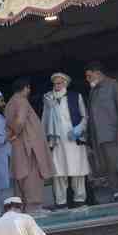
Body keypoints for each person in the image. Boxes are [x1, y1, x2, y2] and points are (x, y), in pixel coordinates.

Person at [85, 61, 118, 200]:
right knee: (107, 166)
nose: (87, 79)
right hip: (100, 137)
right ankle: (117, 193)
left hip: (114, 134)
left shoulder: (113, 85)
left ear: (98, 73)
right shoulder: (93, 90)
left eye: (89, 76)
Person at [5, 78, 54, 216]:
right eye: (29, 88)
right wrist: (16, 132)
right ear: (26, 88)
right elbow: (20, 121)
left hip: (20, 145)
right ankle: (34, 207)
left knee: (22, 177)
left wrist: (12, 134)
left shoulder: (9, 103)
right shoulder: (21, 101)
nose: (29, 90)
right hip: (29, 146)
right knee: (32, 177)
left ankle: (25, 207)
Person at [41, 71, 90, 209]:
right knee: (58, 173)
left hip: (74, 140)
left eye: (60, 83)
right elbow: (44, 119)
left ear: (65, 84)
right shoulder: (48, 99)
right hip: (56, 142)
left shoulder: (76, 96)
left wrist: (79, 129)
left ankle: (80, 201)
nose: (57, 85)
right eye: (55, 83)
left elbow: (85, 116)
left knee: (77, 171)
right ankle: (61, 203)